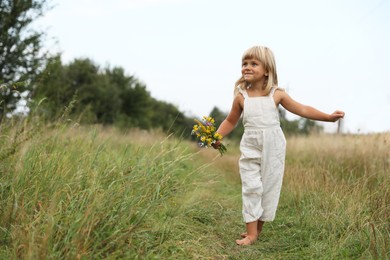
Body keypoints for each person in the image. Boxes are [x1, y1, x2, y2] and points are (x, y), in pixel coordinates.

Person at [213, 46, 345, 246]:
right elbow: (231, 121)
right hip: (251, 146)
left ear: (267, 70)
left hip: (273, 146)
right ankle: (251, 234)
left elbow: (302, 109)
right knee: (251, 186)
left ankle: (256, 230)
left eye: (253, 64)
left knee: (269, 188)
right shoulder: (241, 96)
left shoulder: (276, 94)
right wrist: (217, 136)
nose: (247, 67)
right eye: (244, 64)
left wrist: (327, 117)